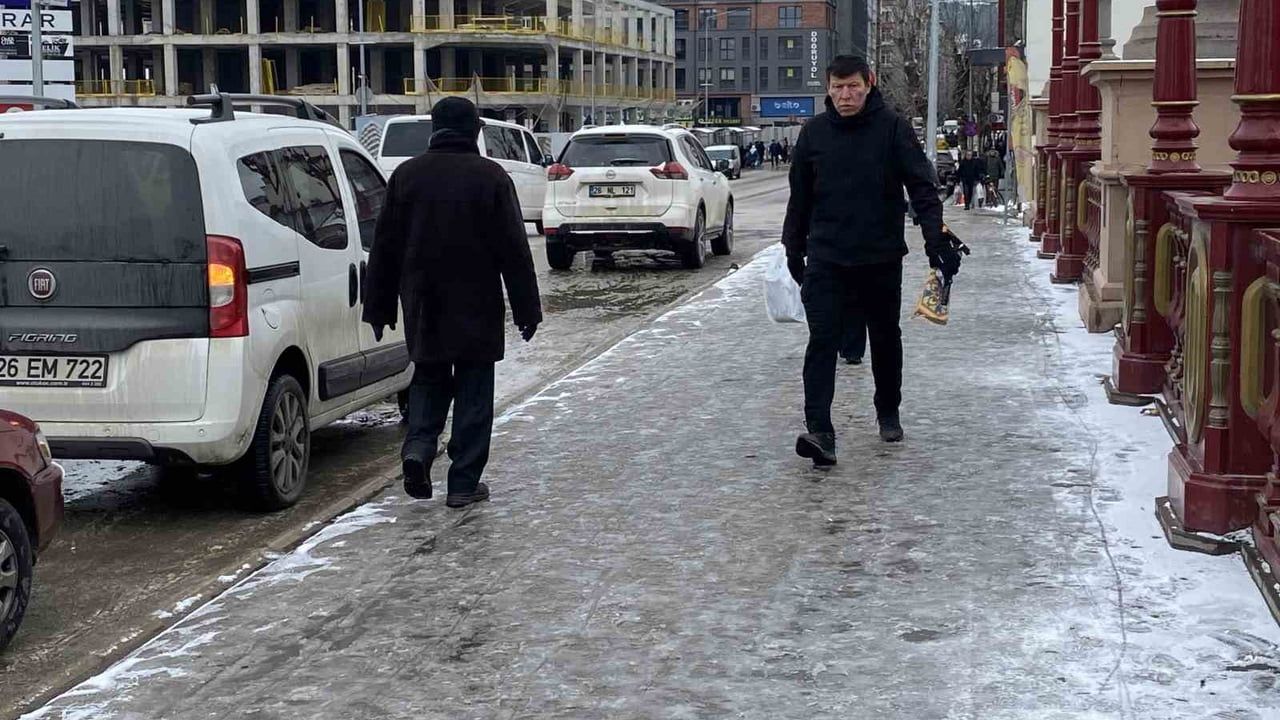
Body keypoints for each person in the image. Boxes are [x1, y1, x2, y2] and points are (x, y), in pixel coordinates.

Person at [782, 55, 963, 466]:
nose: (845, 95)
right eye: (837, 87)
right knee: (823, 341)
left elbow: (921, 186)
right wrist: (792, 248)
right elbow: (800, 199)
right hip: (826, 256)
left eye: (853, 86)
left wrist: (935, 239)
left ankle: (888, 409)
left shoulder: (892, 128)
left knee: (884, 337)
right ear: (827, 88)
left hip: (880, 255)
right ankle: (820, 432)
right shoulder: (813, 135)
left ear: (869, 84)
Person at [363, 97, 543, 508]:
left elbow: (384, 248)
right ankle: (462, 483)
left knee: (428, 378)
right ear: (474, 131)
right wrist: (527, 311)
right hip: (476, 301)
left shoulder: (406, 177)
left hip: (423, 302)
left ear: (435, 130)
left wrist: (378, 308)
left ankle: (419, 449)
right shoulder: (491, 177)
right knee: (474, 390)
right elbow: (514, 249)